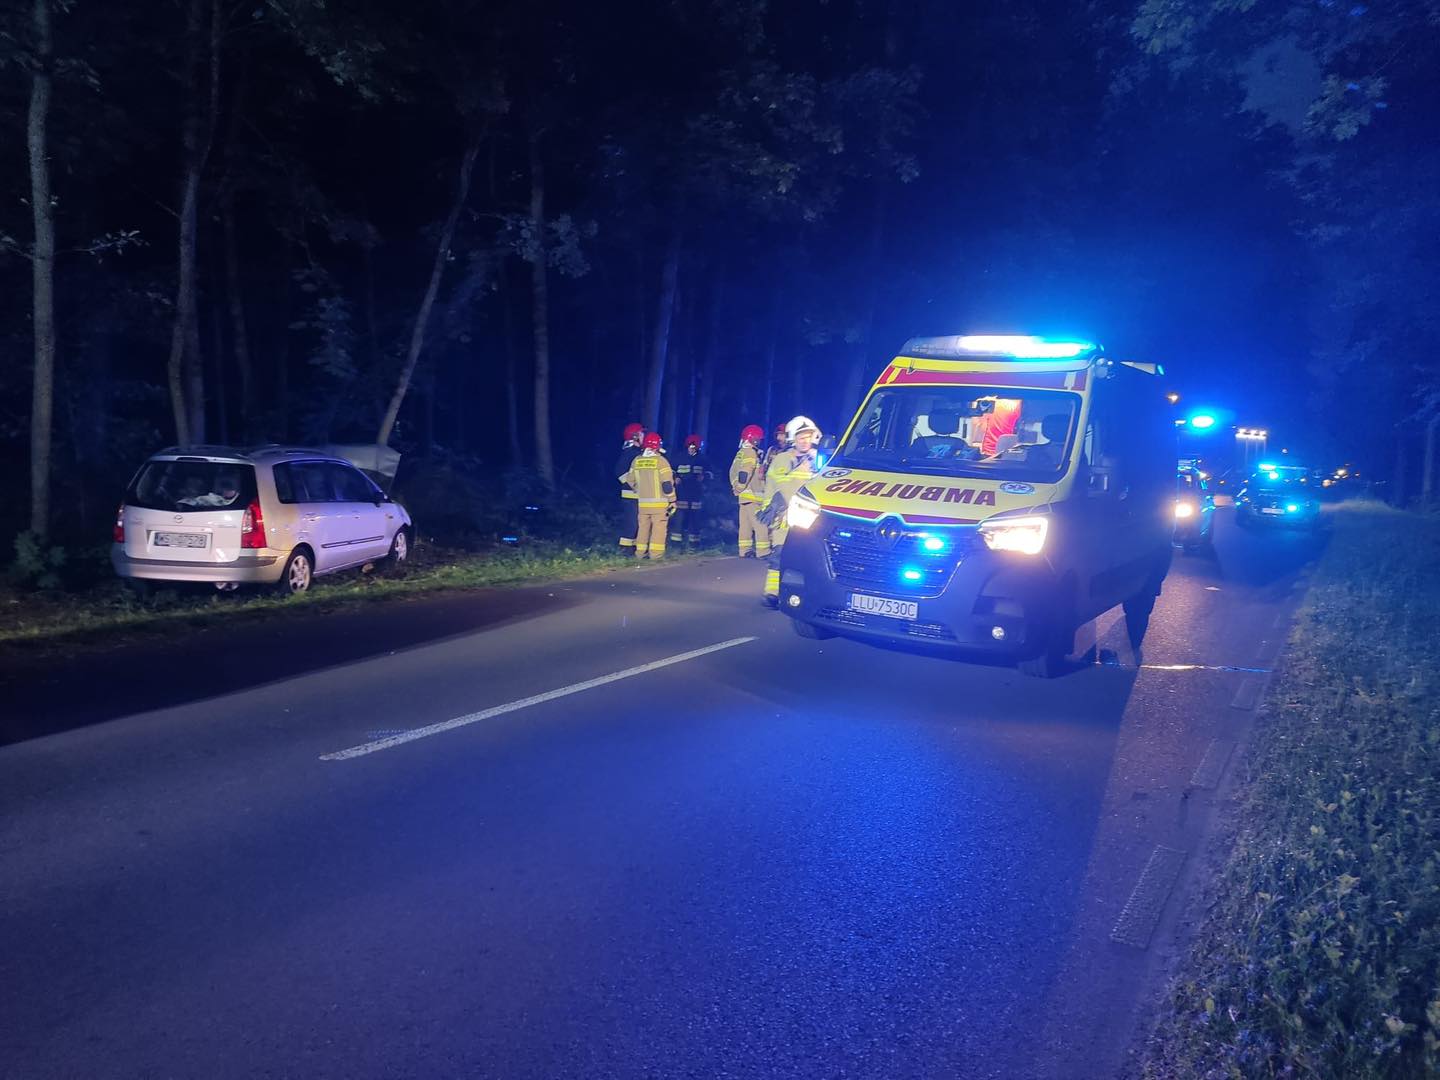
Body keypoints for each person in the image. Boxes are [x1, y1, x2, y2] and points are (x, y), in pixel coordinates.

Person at [760, 415, 822, 604]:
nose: (805, 441)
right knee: (779, 555)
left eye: (808, 436)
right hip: (784, 517)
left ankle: (808, 596)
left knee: (810, 558)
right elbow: (777, 487)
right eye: (801, 437)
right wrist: (768, 509)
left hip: (812, 519)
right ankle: (772, 593)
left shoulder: (820, 460)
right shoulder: (782, 460)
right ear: (792, 439)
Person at [622, 431, 676, 559]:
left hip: (642, 504)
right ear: (657, 446)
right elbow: (667, 485)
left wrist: (640, 490)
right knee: (658, 529)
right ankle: (655, 555)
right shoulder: (661, 461)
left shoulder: (636, 461)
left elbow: (630, 480)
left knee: (643, 529)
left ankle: (640, 553)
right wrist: (672, 500)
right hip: (659, 504)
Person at [729, 424, 769, 558]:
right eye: (759, 439)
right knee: (760, 523)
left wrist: (737, 489)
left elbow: (734, 472)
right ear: (754, 439)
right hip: (753, 495)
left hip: (744, 495)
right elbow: (746, 471)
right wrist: (740, 487)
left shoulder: (741, 452)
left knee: (745, 524)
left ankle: (744, 550)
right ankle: (763, 551)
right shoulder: (750, 452)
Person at [671, 434, 708, 548]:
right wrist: (675, 478)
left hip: (695, 493)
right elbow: (670, 471)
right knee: (679, 517)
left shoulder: (702, 459)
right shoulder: (679, 457)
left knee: (695, 519)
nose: (692, 450)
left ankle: (694, 543)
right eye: (691, 447)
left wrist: (704, 476)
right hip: (682, 492)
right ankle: (676, 543)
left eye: (694, 448)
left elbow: (710, 472)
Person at [615, 423, 645, 552]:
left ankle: (633, 548)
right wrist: (632, 485)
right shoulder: (630, 453)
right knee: (631, 524)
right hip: (630, 496)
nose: (643, 436)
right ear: (635, 437)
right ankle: (625, 549)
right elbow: (619, 471)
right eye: (641, 434)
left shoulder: (637, 453)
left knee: (637, 524)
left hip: (637, 496)